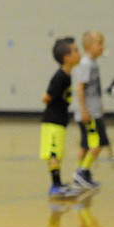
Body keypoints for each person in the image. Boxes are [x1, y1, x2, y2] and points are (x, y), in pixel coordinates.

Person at [40, 36, 82, 198]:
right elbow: (47, 96)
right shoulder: (59, 77)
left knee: (58, 153)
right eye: (76, 51)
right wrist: (47, 97)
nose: (79, 54)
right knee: (53, 154)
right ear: (66, 57)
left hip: (59, 121)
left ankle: (58, 184)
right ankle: (55, 185)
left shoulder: (66, 75)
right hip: (52, 121)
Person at [72, 31, 108, 189]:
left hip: (93, 110)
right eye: (99, 43)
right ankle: (82, 171)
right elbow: (79, 88)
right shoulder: (85, 64)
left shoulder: (92, 63)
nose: (102, 47)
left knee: (85, 145)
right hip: (89, 113)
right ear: (89, 46)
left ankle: (82, 176)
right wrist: (84, 110)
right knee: (98, 143)